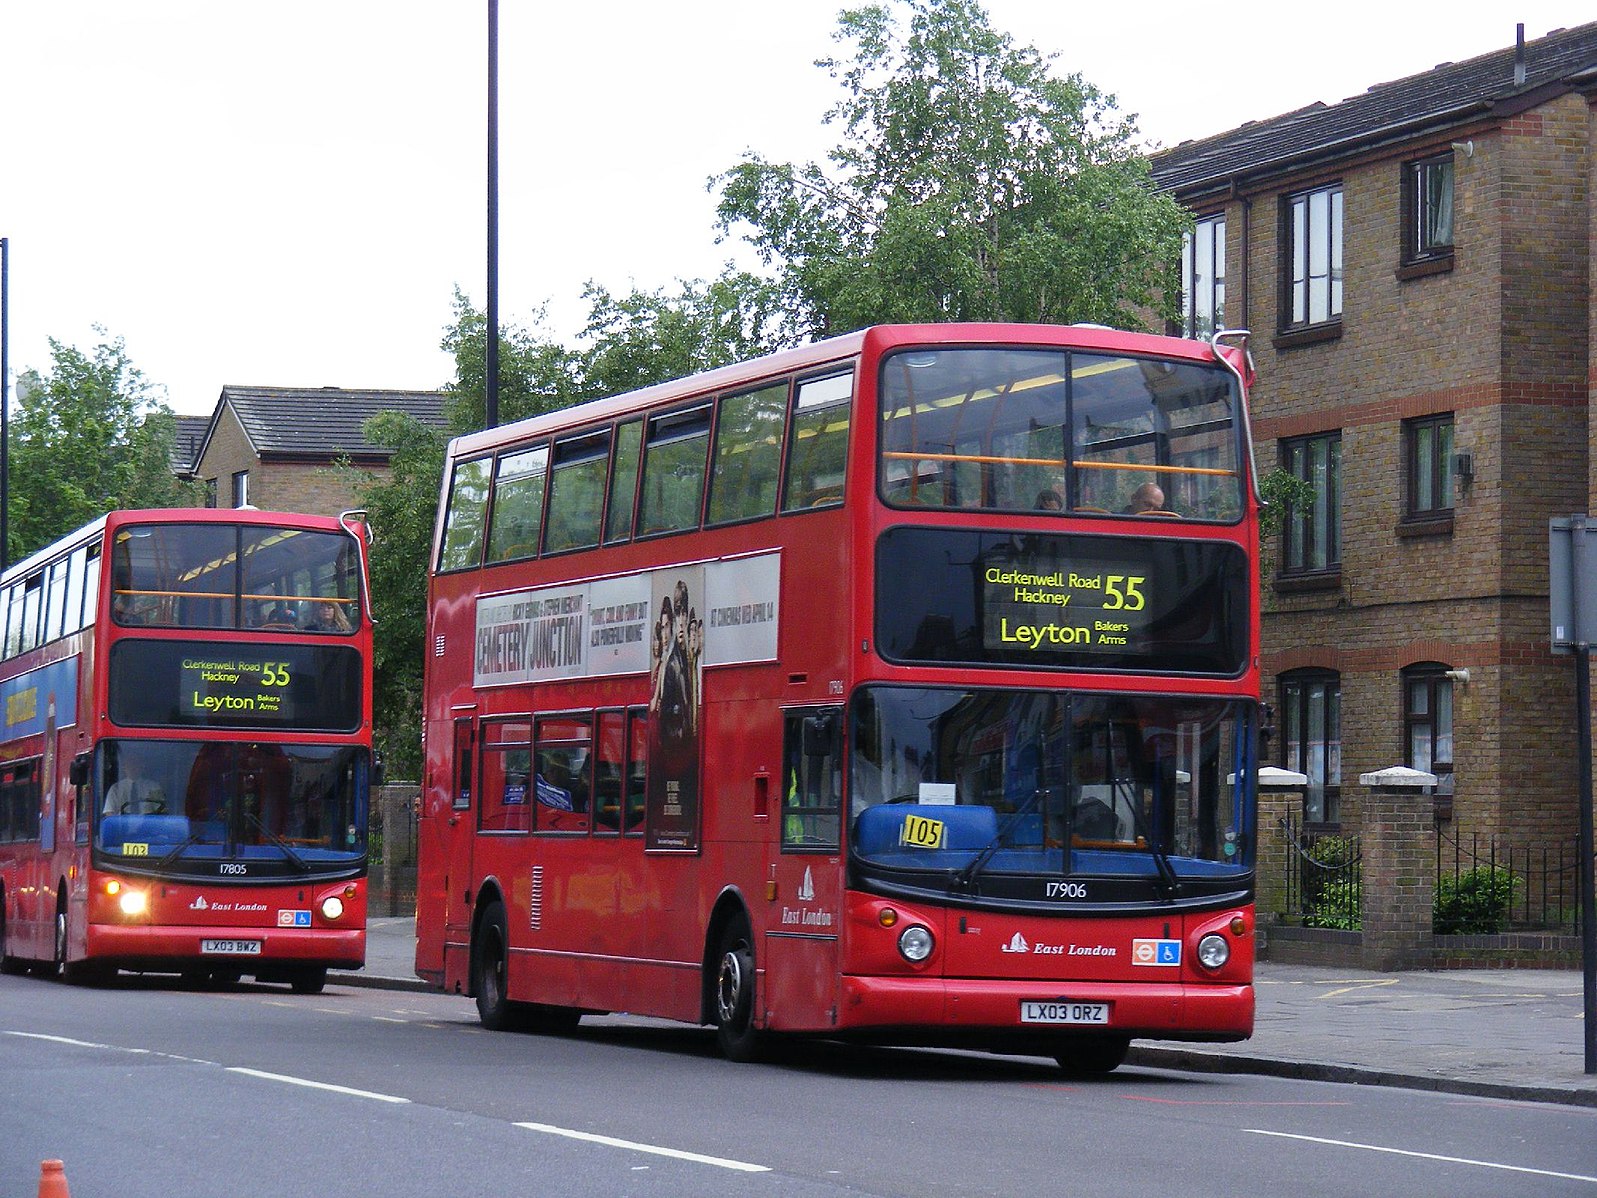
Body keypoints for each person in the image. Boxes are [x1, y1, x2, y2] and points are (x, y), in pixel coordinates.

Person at [104, 747, 167, 815]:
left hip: (148, 824)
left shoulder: (154, 787)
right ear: (124, 767)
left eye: (136, 764)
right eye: (129, 764)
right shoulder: (116, 788)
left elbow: (162, 811)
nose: (132, 767)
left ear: (142, 766)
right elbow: (109, 812)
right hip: (122, 824)